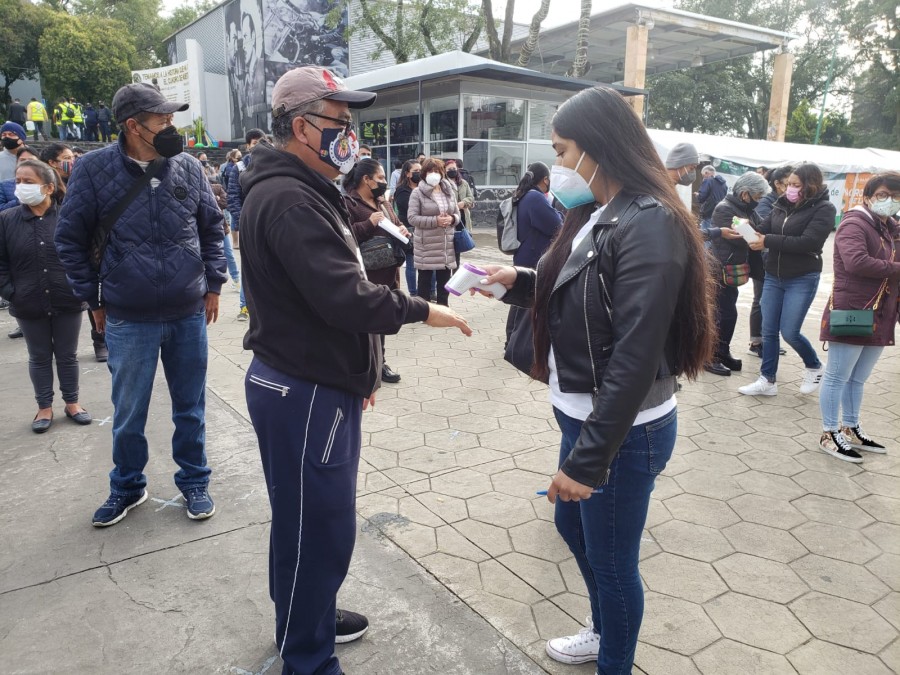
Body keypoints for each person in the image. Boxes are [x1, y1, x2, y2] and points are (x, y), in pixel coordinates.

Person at [238, 65, 471, 675]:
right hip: (303, 388)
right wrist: (423, 309)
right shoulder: (289, 198)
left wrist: (359, 374)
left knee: (310, 523)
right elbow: (344, 298)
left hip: (313, 381)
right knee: (319, 528)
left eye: (351, 124)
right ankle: (307, 655)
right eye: (339, 124)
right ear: (300, 127)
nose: (351, 137)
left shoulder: (306, 189)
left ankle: (307, 618)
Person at [479, 85, 714, 673]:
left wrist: (587, 463)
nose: (556, 166)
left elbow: (635, 355)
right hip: (582, 415)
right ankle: (603, 627)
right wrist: (516, 280)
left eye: (562, 151)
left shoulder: (651, 222)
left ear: (597, 149)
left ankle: (614, 656)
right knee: (569, 522)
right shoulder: (596, 214)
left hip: (624, 430)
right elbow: (581, 294)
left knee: (613, 562)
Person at [54, 82, 227, 527]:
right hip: (129, 318)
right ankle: (127, 487)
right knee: (129, 413)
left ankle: (194, 481)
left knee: (191, 407)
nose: (172, 126)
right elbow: (69, 240)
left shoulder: (187, 167)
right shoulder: (93, 170)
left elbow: (211, 228)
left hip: (188, 312)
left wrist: (214, 283)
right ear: (134, 126)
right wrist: (92, 297)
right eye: (163, 119)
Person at [0, 160, 91, 432]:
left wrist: (80, 287)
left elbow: (83, 256)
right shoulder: (6, 220)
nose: (21, 187)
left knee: (67, 355)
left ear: (49, 187)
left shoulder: (69, 217)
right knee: (38, 356)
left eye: (28, 181)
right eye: (18, 181)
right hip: (27, 301)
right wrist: (10, 292)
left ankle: (72, 402)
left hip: (67, 299)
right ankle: (44, 407)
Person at [818, 172, 900, 462]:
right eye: (883, 194)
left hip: (879, 312)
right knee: (837, 376)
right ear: (868, 196)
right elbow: (856, 262)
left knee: (857, 379)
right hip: (853, 310)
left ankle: (850, 427)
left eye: (895, 196)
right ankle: (829, 433)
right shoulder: (855, 222)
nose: (889, 201)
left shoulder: (888, 227)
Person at [739, 162, 835, 396]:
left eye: (796, 185)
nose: (789, 189)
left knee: (790, 331)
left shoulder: (824, 209)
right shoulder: (781, 204)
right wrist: (745, 229)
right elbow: (763, 228)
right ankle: (767, 380)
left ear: (810, 186)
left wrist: (767, 240)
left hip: (802, 277)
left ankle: (814, 365)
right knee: (768, 330)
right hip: (773, 275)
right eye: (788, 184)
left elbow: (808, 242)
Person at [344, 157, 410, 383]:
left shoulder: (382, 201)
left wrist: (401, 229)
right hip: (367, 272)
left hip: (389, 269)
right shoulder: (348, 203)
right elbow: (346, 235)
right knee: (365, 318)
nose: (383, 182)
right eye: (380, 178)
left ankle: (380, 362)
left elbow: (395, 221)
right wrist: (369, 223)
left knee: (382, 317)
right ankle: (363, 363)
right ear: (366, 179)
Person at [705, 172, 769, 377]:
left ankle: (722, 352)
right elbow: (747, 238)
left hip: (733, 270)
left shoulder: (744, 209)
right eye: (757, 197)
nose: (758, 201)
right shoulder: (725, 209)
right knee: (720, 315)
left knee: (728, 314)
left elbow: (761, 227)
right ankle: (710, 357)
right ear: (744, 194)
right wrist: (753, 232)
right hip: (720, 269)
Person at [505, 161, 563, 345]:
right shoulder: (535, 198)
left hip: (524, 254)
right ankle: (515, 341)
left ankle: (512, 339)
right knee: (525, 302)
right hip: (532, 257)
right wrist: (560, 214)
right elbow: (557, 226)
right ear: (545, 179)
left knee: (520, 299)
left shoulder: (524, 195)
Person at [748, 164, 793, 357]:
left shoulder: (787, 202)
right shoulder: (768, 202)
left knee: (771, 302)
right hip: (764, 260)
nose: (793, 188)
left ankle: (768, 341)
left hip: (778, 260)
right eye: (789, 183)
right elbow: (767, 228)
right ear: (777, 184)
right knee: (761, 301)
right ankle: (756, 342)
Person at [408, 157, 460, 305]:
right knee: (425, 279)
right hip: (427, 244)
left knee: (444, 278)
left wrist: (451, 219)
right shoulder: (417, 193)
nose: (434, 174)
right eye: (430, 171)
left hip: (446, 242)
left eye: (437, 171)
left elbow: (457, 213)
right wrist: (435, 221)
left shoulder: (448, 190)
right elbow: (412, 218)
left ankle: (444, 307)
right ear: (424, 173)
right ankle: (424, 310)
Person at [227, 128, 266, 253]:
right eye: (255, 143)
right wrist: (243, 222)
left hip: (268, 220)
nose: (259, 146)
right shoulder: (239, 168)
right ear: (248, 146)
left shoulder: (274, 163)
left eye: (262, 142)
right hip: (249, 223)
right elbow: (233, 197)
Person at [393, 159, 423, 295]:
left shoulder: (423, 188)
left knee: (429, 263)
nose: (419, 173)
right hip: (410, 230)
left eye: (420, 171)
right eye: (415, 171)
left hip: (424, 230)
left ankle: (431, 290)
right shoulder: (401, 191)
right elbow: (409, 209)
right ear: (407, 174)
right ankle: (413, 292)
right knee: (411, 263)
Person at [445, 158, 474, 267]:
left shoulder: (463, 183)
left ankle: (456, 270)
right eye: (449, 169)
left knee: (459, 246)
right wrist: (454, 205)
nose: (452, 170)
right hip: (450, 218)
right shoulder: (443, 184)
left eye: (454, 168)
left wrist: (463, 202)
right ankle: (449, 268)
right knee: (450, 246)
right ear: (445, 170)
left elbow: (471, 197)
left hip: (462, 217)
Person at [697, 165, 727, 232]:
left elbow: (701, 197)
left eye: (703, 175)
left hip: (709, 212)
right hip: (719, 212)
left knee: (706, 236)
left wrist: (698, 195)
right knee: (715, 234)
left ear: (706, 173)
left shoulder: (708, 181)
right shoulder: (724, 184)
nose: (703, 177)